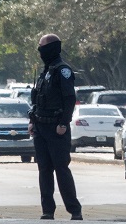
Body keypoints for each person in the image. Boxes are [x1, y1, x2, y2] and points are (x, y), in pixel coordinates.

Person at [29, 34, 83, 220]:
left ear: (51, 48)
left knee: (61, 169)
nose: (39, 51)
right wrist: (32, 121)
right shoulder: (45, 71)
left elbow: (69, 99)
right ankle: (47, 210)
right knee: (44, 170)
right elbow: (38, 100)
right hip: (40, 128)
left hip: (56, 129)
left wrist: (63, 123)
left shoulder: (62, 70)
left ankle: (74, 210)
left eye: (42, 47)